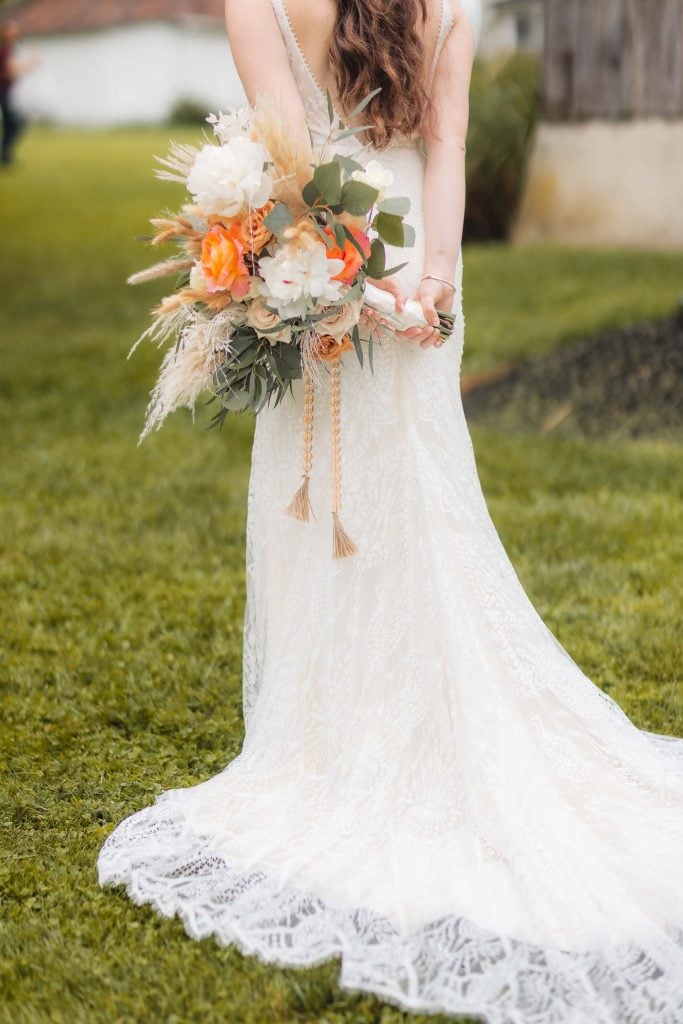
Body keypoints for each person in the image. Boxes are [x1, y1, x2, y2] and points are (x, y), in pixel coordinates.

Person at [97, 1, 683, 1021]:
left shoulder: (258, 5)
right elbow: (443, 147)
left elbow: (287, 170)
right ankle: (379, 723)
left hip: (325, 269)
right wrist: (434, 287)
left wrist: (350, 289)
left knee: (329, 500)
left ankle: (334, 744)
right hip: (405, 273)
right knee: (396, 498)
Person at [0, 19, 39, 167]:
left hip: (6, 91)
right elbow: (10, 73)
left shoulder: (10, 49)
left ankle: (5, 156)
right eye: (11, 29)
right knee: (15, 124)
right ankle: (5, 155)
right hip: (2, 91)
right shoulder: (4, 50)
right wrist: (30, 63)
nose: (14, 33)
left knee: (12, 124)